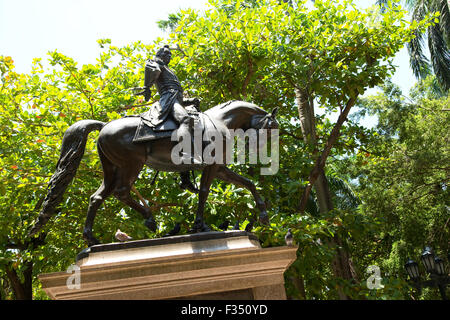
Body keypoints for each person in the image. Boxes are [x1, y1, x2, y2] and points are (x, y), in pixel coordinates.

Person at [138, 45, 199, 193]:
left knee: (197, 122)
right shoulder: (155, 63)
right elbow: (154, 72)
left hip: (176, 99)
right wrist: (147, 87)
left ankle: (185, 178)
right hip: (168, 99)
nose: (169, 56)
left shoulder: (168, 68)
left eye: (170, 54)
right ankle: (185, 154)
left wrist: (191, 100)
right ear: (159, 54)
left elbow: (177, 93)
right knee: (185, 120)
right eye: (166, 54)